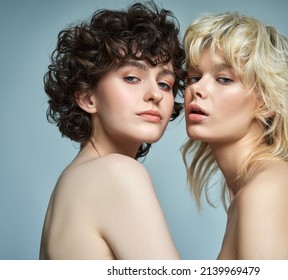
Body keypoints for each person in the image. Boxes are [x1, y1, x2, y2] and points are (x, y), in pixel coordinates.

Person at [182, 12, 288, 259]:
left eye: (224, 79)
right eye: (194, 77)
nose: (196, 89)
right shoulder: (256, 188)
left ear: (266, 102)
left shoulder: (268, 189)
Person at [39, 1, 185, 260]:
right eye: (132, 78)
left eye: (165, 83)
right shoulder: (116, 173)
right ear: (87, 97)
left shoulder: (74, 179)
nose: (155, 94)